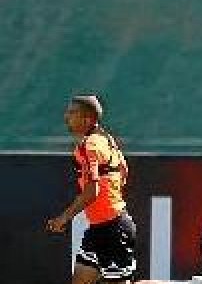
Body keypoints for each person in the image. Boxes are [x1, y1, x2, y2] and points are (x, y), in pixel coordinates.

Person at [47, 95, 137, 284]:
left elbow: (92, 190)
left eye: (72, 113)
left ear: (87, 119)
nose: (66, 117)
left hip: (114, 230)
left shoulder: (90, 146)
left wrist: (64, 218)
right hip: (99, 229)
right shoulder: (107, 140)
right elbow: (123, 171)